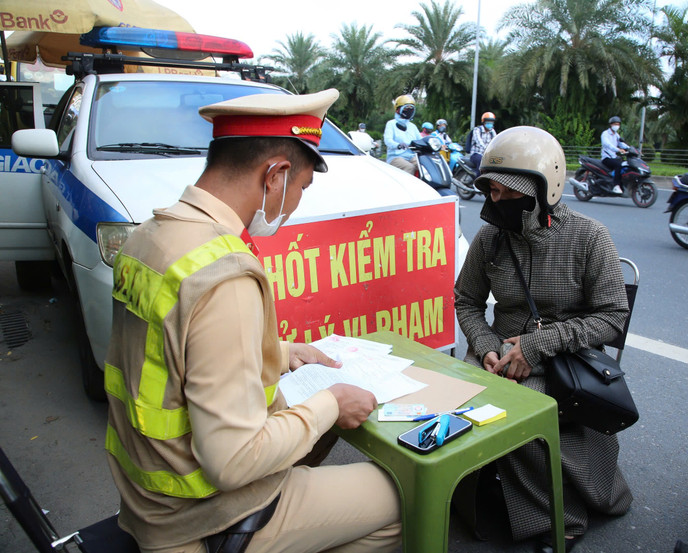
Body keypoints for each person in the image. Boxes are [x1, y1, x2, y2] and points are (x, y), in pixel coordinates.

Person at [104, 89, 401, 553]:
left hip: (146, 498)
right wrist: (331, 404)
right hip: (202, 518)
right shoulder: (224, 274)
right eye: (302, 186)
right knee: (400, 494)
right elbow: (234, 461)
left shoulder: (149, 235)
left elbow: (171, 354)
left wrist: (280, 352)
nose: (297, 200)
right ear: (276, 175)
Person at [454, 126, 632, 552]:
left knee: (517, 414)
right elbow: (467, 299)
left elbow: (613, 317)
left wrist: (534, 347)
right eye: (492, 192)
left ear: (545, 188)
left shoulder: (589, 237)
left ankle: (560, 521)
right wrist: (487, 346)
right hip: (498, 350)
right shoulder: (491, 238)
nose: (498, 202)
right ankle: (466, 494)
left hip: (568, 356)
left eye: (509, 193)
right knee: (455, 398)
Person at [383, 94, 421, 175]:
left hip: (411, 156)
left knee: (424, 165)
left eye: (411, 108)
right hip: (396, 157)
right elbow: (387, 140)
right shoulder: (391, 124)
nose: (409, 110)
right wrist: (398, 145)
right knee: (409, 167)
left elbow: (420, 140)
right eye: (407, 108)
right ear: (398, 110)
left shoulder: (412, 126)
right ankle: (406, 187)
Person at [600, 116, 629, 194]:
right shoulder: (605, 134)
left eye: (618, 124)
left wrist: (630, 149)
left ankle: (622, 183)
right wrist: (618, 149)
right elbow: (608, 144)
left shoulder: (616, 135)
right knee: (618, 165)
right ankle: (616, 186)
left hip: (614, 157)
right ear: (611, 124)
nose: (617, 126)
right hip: (606, 158)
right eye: (615, 124)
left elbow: (621, 143)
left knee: (625, 164)